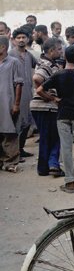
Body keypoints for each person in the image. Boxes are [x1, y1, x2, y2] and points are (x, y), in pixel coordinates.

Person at [38, 45, 74, 193]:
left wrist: (54, 99)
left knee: (66, 148)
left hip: (62, 114)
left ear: (65, 57)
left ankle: (70, 183)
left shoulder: (58, 75)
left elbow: (39, 90)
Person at [30, 38, 64, 177]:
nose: (61, 52)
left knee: (49, 136)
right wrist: (49, 97)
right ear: (51, 51)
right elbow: (37, 78)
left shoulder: (51, 63)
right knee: (49, 137)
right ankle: (48, 166)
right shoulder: (45, 64)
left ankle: (49, 165)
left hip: (44, 107)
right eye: (59, 49)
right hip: (45, 106)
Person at [9, 27, 36, 158]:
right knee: (16, 124)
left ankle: (21, 149)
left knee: (26, 122)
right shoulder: (9, 55)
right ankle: (14, 153)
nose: (21, 40)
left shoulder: (30, 55)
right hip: (14, 94)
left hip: (28, 93)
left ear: (28, 39)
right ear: (14, 40)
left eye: (23, 37)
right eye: (18, 38)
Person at [0, 36, 23, 172]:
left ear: (2, 47)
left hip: (8, 102)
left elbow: (18, 84)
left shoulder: (14, 62)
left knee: (10, 132)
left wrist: (16, 104)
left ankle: (11, 161)